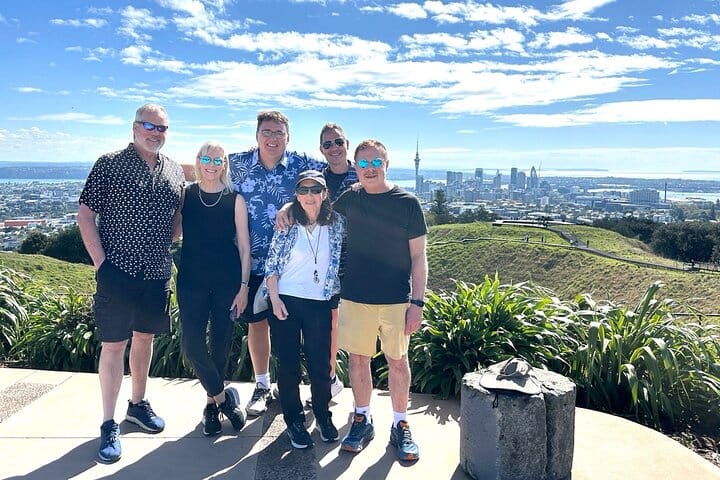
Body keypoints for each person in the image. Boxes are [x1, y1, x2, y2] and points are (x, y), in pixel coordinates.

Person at [77, 103, 185, 463]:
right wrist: (101, 265)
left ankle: (137, 404)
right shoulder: (109, 163)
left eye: (162, 128)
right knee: (113, 346)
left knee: (145, 339)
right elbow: (85, 215)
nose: (156, 133)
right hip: (117, 272)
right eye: (149, 126)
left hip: (156, 273)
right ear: (134, 127)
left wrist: (171, 238)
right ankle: (109, 423)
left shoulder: (173, 170)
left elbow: (177, 217)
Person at [334, 139, 428, 462]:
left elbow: (419, 258)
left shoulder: (407, 204)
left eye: (376, 163)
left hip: (395, 300)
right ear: (355, 167)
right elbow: (318, 217)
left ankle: (400, 423)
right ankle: (362, 419)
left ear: (386, 164)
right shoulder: (349, 199)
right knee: (358, 360)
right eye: (363, 164)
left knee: (398, 361)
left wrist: (417, 303)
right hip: (355, 296)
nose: (370, 169)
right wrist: (288, 211)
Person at [228, 110, 325, 416]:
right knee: (257, 325)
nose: (272, 138)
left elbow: (335, 172)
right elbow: (204, 168)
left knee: (290, 327)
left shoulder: (301, 163)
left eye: (279, 133)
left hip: (292, 265)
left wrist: (293, 203)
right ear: (256, 135)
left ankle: (289, 386)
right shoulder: (238, 163)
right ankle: (262, 385)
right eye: (266, 132)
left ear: (288, 137)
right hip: (253, 262)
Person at [264, 170, 345, 449]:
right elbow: (272, 265)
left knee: (320, 365)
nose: (309, 196)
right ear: (296, 195)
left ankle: (322, 414)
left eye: (315, 190)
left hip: (319, 302)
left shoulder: (337, 223)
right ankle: (295, 420)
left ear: (325, 194)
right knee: (288, 365)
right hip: (285, 299)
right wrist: (274, 299)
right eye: (303, 190)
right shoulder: (287, 223)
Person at [176, 141, 250, 437]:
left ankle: (210, 407)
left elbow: (244, 247)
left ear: (224, 165)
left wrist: (243, 287)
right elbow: (173, 231)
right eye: (206, 159)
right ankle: (224, 399)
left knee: (221, 344)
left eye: (218, 160)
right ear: (198, 161)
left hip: (226, 281)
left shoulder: (235, 199)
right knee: (191, 343)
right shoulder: (186, 195)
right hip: (191, 280)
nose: (211, 164)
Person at [317, 123, 359, 400]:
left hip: (360, 262)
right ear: (321, 149)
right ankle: (330, 379)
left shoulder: (363, 176)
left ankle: (361, 398)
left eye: (338, 142)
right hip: (326, 262)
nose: (334, 148)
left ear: (347, 144)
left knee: (358, 328)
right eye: (328, 144)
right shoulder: (317, 180)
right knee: (328, 325)